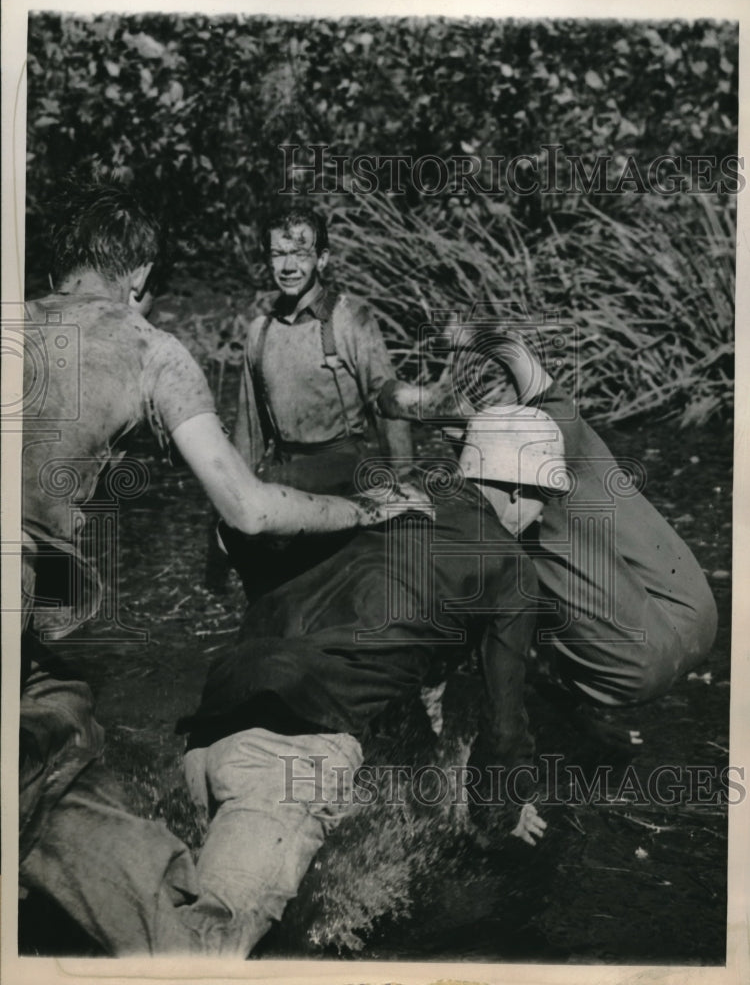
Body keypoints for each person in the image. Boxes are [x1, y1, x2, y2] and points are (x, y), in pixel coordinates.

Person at [19, 177, 422, 955]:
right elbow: (250, 504)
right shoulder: (152, 348)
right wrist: (375, 509)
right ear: (139, 277)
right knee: (65, 752)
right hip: (282, 500)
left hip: (41, 640)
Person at [175, 420, 567, 957]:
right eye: (546, 498)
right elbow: (503, 729)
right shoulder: (511, 568)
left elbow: (261, 554)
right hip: (291, 757)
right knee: (203, 951)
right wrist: (496, 814)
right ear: (519, 488)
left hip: (210, 732)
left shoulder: (380, 499)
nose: (544, 515)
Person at [378, 328, 718, 711]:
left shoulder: (492, 496)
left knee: (495, 585)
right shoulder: (560, 421)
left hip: (634, 670)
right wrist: (462, 334)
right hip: (699, 614)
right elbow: (510, 347)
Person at [226, 204, 413, 595]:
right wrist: (231, 510)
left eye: (301, 254)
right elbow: (249, 433)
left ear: (322, 259)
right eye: (278, 254)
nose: (289, 266)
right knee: (271, 596)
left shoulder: (350, 319)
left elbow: (389, 404)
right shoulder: (259, 332)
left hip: (341, 478)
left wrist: (403, 486)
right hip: (284, 481)